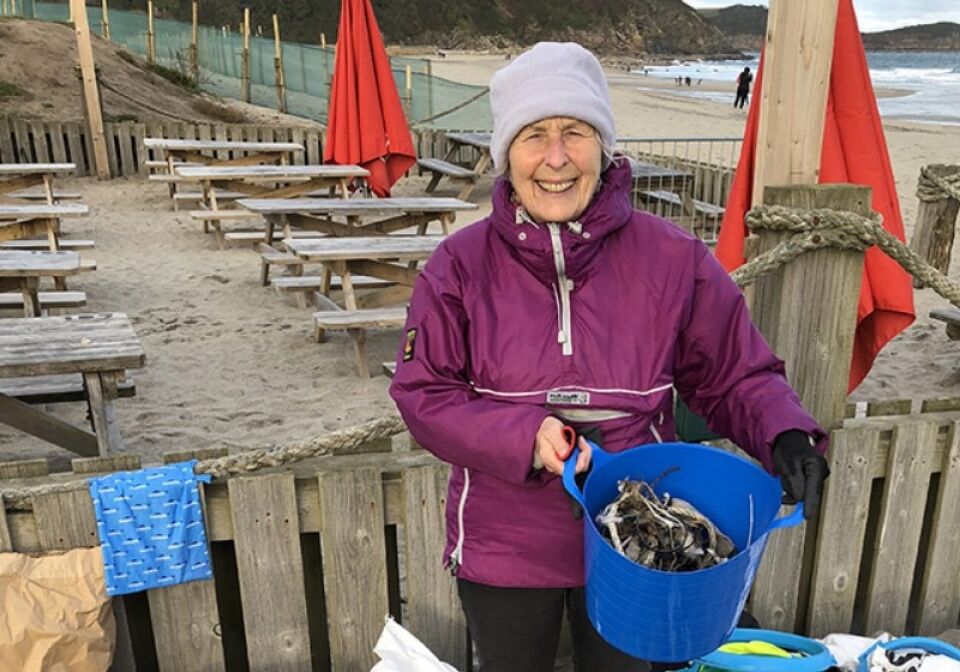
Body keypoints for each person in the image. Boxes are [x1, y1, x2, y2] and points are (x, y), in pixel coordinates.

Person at [389, 42, 829, 672]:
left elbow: (733, 373)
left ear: (604, 146)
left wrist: (784, 434)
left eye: (575, 131)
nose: (556, 157)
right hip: (504, 545)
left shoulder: (673, 257)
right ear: (506, 154)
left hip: (639, 546)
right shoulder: (456, 266)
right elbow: (424, 395)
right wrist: (526, 436)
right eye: (534, 135)